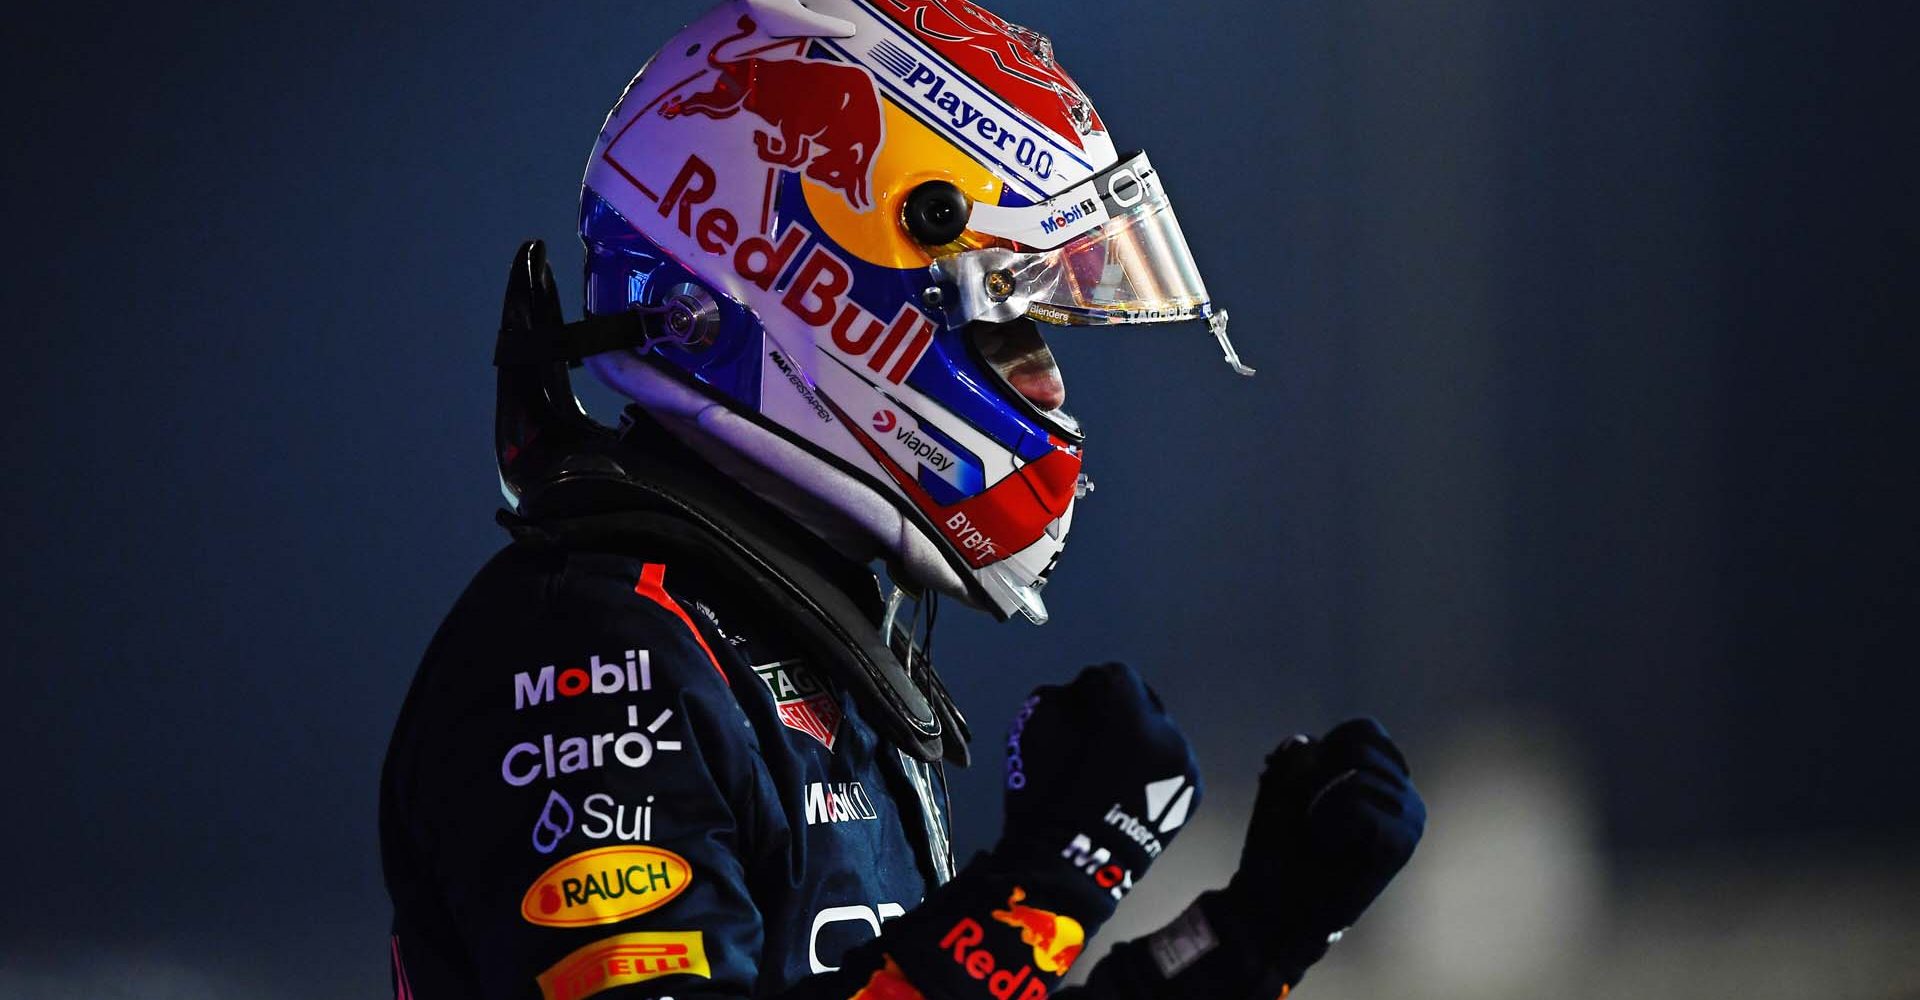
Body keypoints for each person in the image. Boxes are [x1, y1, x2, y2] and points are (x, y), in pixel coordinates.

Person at [380, 2, 1426, 998]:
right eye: (1009, 326)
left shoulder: (781, 633)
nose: (1050, 385)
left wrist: (1250, 937)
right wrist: (1037, 895)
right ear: (810, 283)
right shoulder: (590, 655)